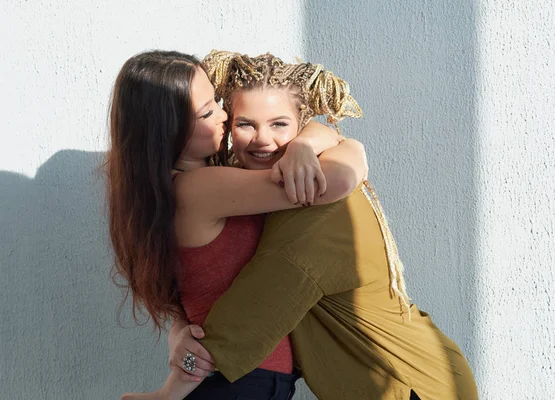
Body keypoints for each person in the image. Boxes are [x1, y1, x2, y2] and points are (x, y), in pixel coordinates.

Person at [165, 51, 480, 399]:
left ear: (300, 123)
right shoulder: (255, 193)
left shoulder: (315, 201)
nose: (262, 140)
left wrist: (173, 387)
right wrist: (178, 327)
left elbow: (258, 305)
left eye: (280, 124)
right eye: (245, 124)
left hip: (411, 381)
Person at [107, 50, 367, 400]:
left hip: (236, 379)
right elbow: (336, 179)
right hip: (241, 383)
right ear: (167, 128)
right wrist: (327, 145)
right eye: (207, 111)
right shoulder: (201, 189)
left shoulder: (182, 188)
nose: (224, 115)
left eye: (216, 101)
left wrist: (179, 331)